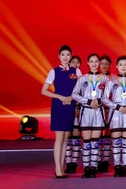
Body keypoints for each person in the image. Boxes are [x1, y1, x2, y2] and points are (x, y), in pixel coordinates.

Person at [42, 45, 81, 179]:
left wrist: (72, 98)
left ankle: (62, 167)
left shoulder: (76, 71)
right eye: (63, 54)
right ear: (59, 56)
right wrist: (60, 97)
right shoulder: (54, 71)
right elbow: (44, 91)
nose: (65, 57)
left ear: (71, 56)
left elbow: (81, 90)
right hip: (59, 106)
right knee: (59, 138)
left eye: (68, 55)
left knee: (65, 138)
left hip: (70, 105)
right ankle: (57, 168)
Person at [71, 53, 108, 178]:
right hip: (86, 111)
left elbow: (109, 96)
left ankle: (94, 167)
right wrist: (87, 101)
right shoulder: (82, 79)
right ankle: (87, 168)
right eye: (91, 61)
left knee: (95, 142)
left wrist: (99, 100)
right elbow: (74, 94)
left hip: (98, 112)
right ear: (87, 63)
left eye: (96, 61)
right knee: (87, 141)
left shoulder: (104, 79)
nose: (94, 64)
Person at [102, 56, 126, 177]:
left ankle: (125, 166)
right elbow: (104, 98)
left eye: (125, 64)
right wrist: (117, 107)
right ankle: (117, 167)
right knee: (116, 142)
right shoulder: (111, 82)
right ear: (116, 66)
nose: (123, 67)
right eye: (120, 64)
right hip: (115, 114)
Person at [65, 55, 82, 174]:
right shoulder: (64, 74)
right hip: (66, 106)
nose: (75, 64)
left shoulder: (81, 76)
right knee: (67, 137)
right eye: (73, 62)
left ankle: (74, 163)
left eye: (77, 62)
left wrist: (79, 107)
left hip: (77, 107)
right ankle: (68, 162)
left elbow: (82, 93)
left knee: (76, 138)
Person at [98, 55, 113, 173]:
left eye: (106, 64)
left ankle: (106, 161)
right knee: (97, 135)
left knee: (107, 135)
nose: (104, 66)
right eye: (102, 63)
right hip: (97, 110)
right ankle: (97, 160)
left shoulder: (114, 78)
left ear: (110, 65)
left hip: (109, 109)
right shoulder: (94, 77)